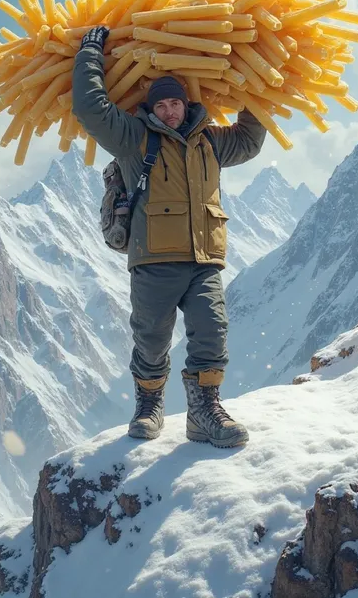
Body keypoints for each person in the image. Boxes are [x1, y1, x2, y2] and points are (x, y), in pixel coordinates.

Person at [72, 25, 267, 449]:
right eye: (161, 104)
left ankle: (204, 412)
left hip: (204, 259)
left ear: (187, 103)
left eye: (176, 102)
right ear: (151, 108)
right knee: (152, 337)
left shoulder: (212, 141)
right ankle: (149, 404)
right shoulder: (132, 137)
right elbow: (91, 109)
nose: (170, 110)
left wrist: (254, 69)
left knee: (212, 331)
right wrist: (90, 54)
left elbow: (251, 139)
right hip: (154, 259)